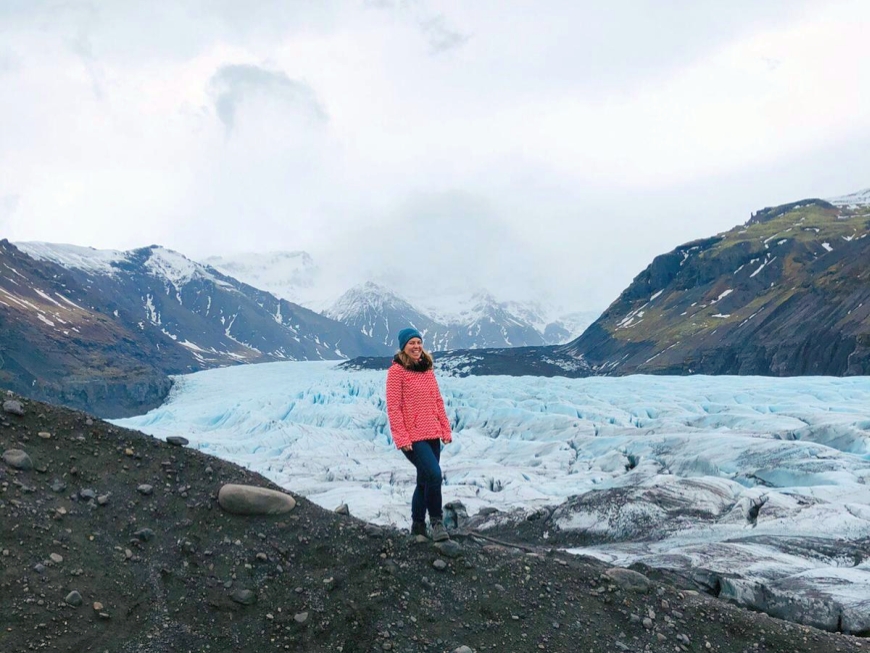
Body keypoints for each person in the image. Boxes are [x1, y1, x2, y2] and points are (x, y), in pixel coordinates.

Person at [385, 327, 453, 542]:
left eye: (418, 342)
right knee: (434, 474)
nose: (416, 346)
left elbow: (437, 401)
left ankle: (417, 525)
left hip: (432, 432)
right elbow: (394, 407)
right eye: (411, 343)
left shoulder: (427, 370)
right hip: (413, 437)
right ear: (403, 346)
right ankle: (436, 522)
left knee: (424, 480)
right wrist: (401, 437)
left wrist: (445, 428)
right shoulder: (397, 371)